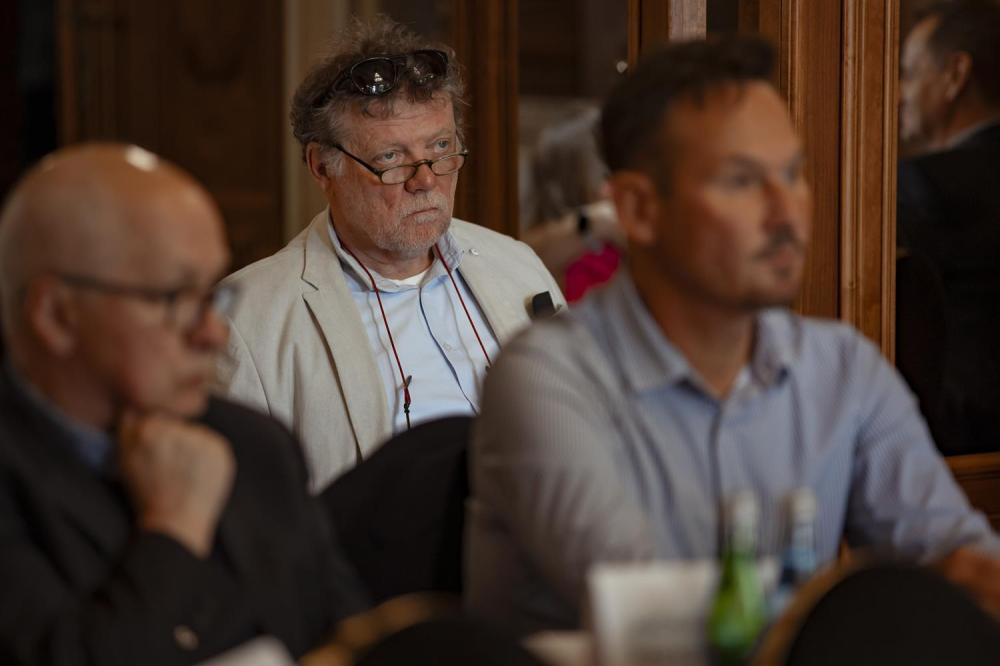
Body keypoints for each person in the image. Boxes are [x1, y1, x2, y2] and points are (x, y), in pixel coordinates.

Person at [465, 36, 1000, 636]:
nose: (787, 212)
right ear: (638, 209)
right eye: (742, 181)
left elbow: (954, 554)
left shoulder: (841, 367)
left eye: (792, 174)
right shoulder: (544, 378)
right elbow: (653, 620)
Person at [0, 144, 368, 665]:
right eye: (173, 298)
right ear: (57, 316)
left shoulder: (257, 445)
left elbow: (354, 643)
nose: (213, 333)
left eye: (211, 295)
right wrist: (173, 528)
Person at [217, 17, 563, 491]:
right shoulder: (248, 320)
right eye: (391, 159)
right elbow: (248, 507)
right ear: (323, 167)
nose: (426, 180)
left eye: (440, 147)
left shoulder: (517, 265)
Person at [896, 0, 1000, 454]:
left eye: (910, 73)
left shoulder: (922, 184)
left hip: (960, 452)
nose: (899, 94)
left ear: (956, 74)